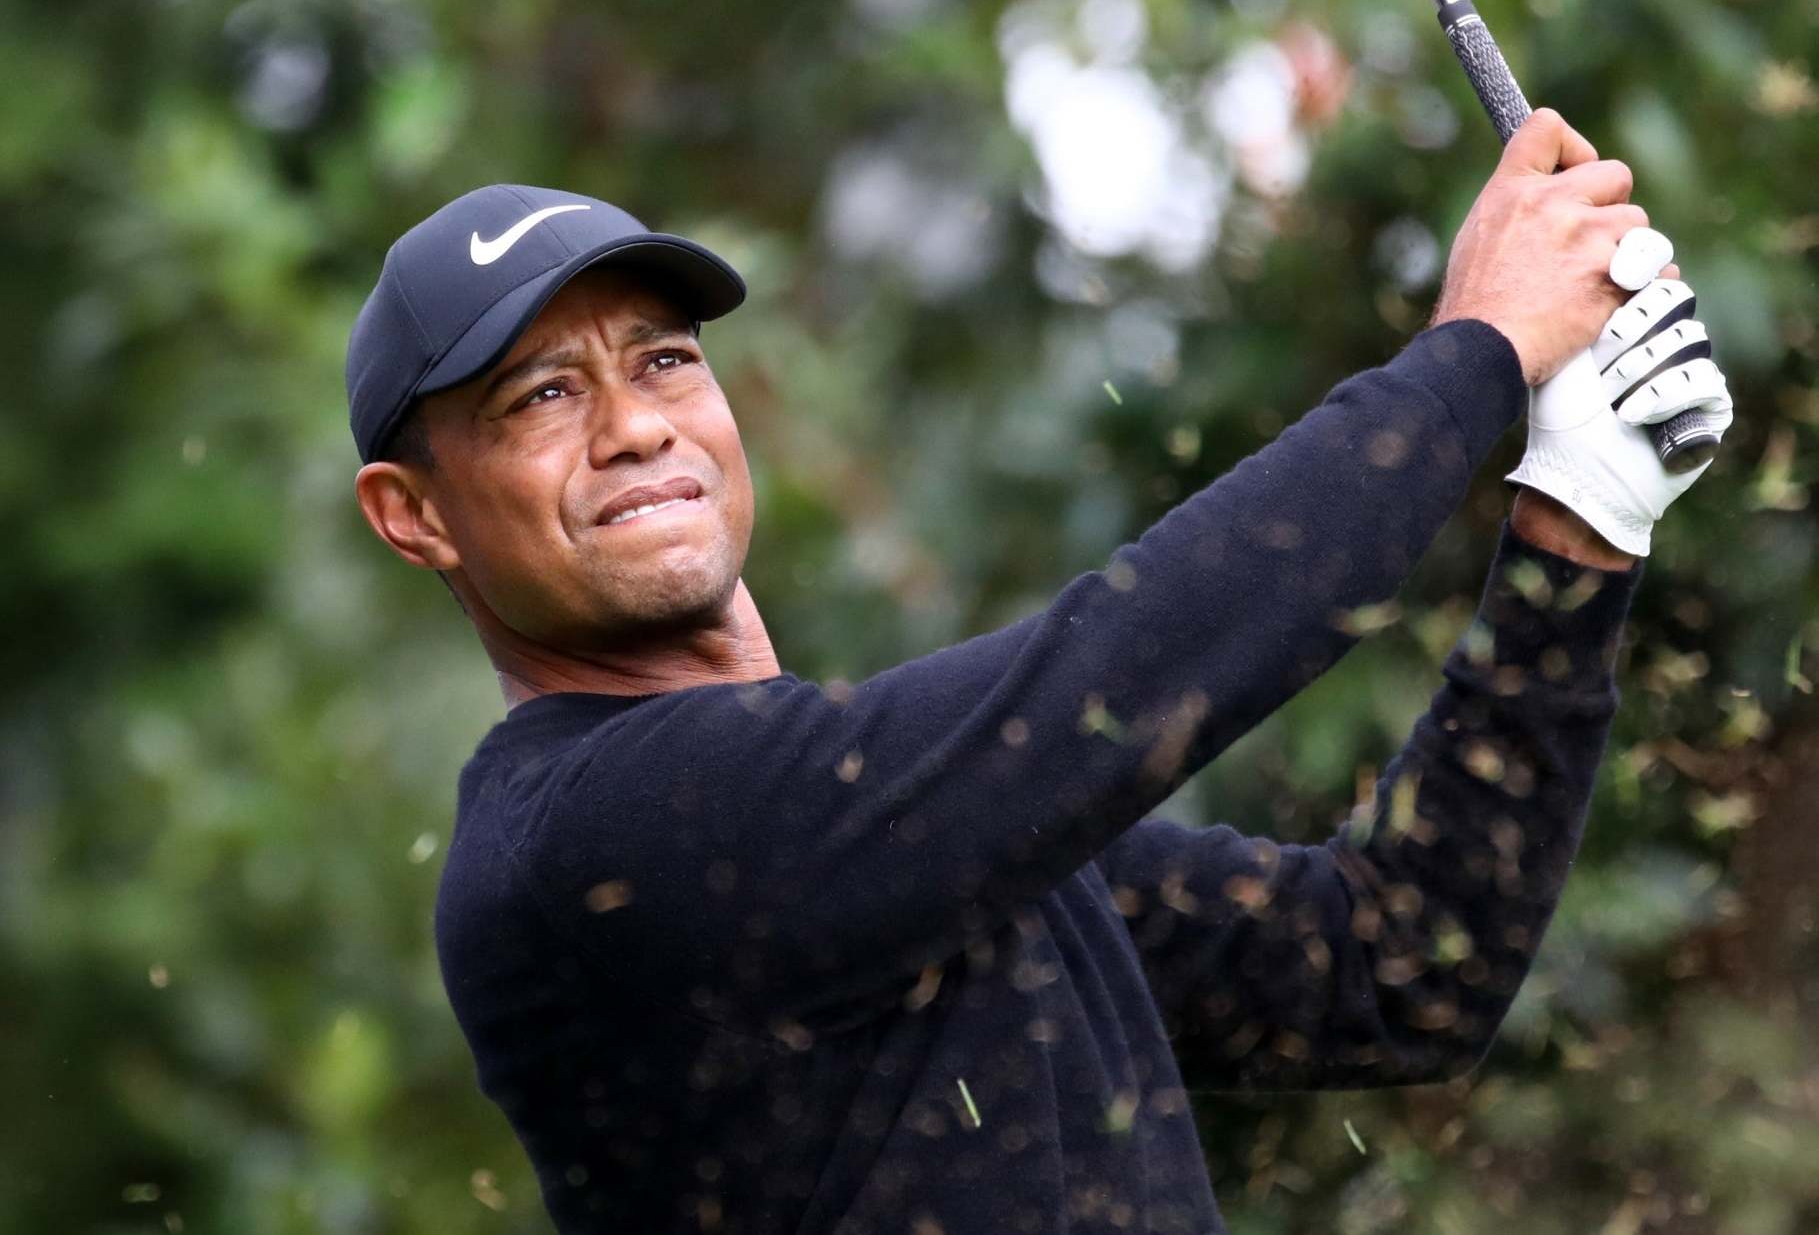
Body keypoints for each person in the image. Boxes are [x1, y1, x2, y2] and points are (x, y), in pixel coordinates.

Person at [347, 110, 1732, 1234]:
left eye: (662, 361)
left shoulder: (910, 838)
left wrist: (1577, 532)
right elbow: (1111, 679)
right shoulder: (587, 840)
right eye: (540, 396)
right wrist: (1475, 359)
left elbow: (1393, 966)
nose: (635, 427)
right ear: (414, 514)